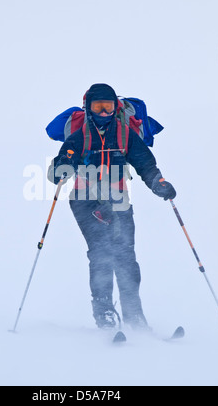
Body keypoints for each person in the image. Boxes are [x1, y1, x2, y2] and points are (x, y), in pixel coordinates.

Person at [48, 83, 176, 331]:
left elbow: (146, 165)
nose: (104, 113)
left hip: (118, 197)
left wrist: (158, 183)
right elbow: (59, 168)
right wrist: (62, 167)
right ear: (88, 109)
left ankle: (134, 314)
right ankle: (104, 313)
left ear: (116, 108)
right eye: (99, 107)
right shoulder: (80, 136)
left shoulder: (125, 135)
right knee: (101, 253)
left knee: (126, 255)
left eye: (109, 107)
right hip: (86, 199)